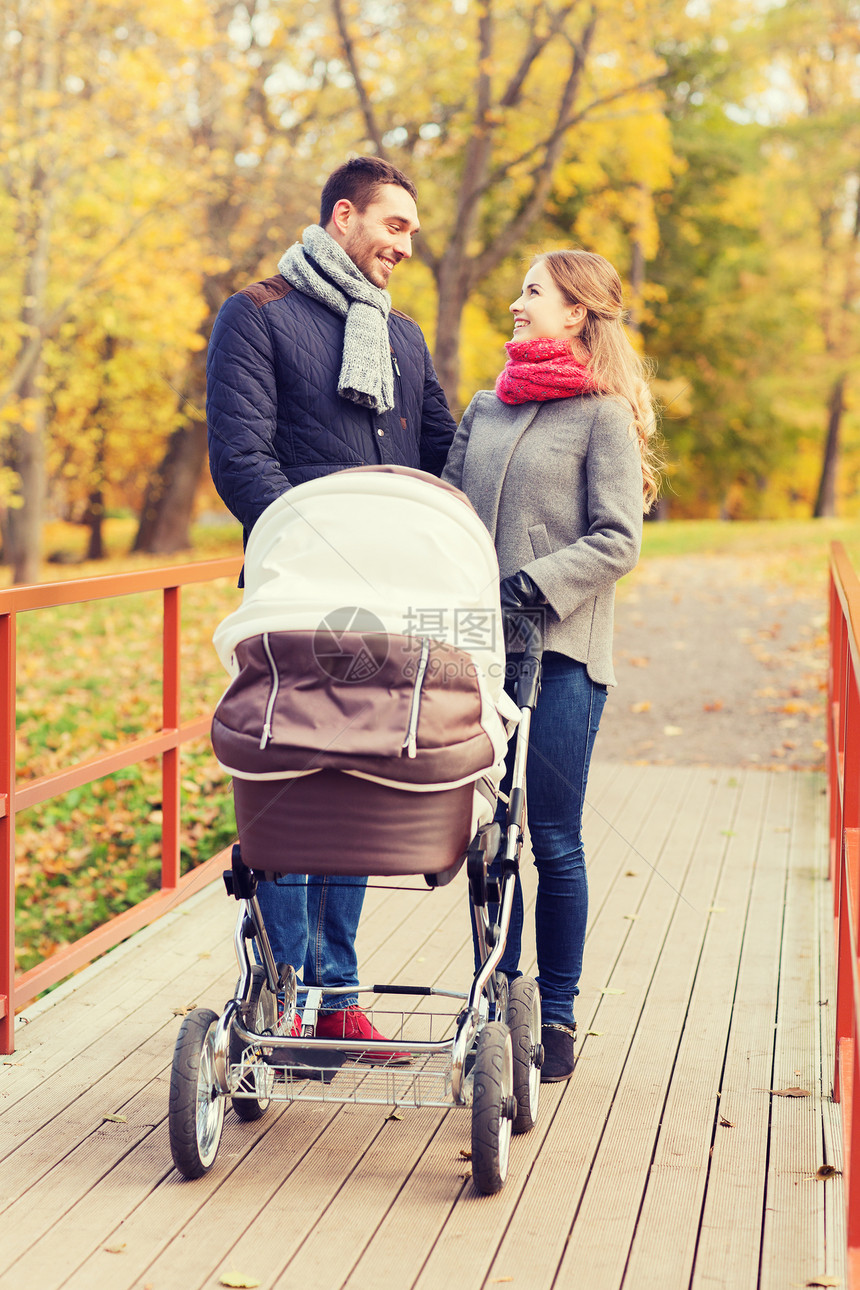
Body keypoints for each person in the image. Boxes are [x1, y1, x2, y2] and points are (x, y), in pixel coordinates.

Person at [206, 157, 456, 1058]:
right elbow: (241, 458)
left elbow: (438, 458)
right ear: (343, 217)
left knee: (359, 780)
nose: (403, 247)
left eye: (413, 234)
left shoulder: (402, 336)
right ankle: (287, 991)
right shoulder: (258, 313)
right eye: (393, 227)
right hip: (298, 593)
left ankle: (337, 991)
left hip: (389, 603)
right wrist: (320, 553)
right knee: (290, 780)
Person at [442, 248, 660, 1081]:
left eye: (531, 291)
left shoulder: (602, 415)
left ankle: (559, 1013)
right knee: (490, 840)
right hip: (480, 655)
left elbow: (618, 538)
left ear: (575, 313)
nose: (515, 302)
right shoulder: (485, 406)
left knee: (554, 838)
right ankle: (502, 1001)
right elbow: (453, 514)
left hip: (563, 653)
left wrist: (531, 585)